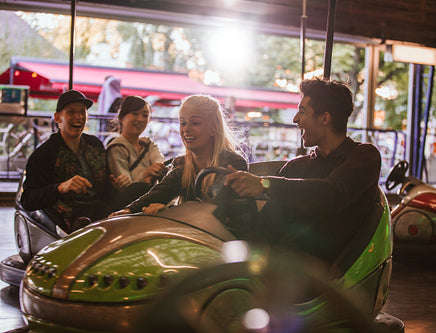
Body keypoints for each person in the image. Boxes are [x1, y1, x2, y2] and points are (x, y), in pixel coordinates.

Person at [224, 78, 382, 265]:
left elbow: (331, 194)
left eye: (302, 112)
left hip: (325, 275)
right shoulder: (296, 167)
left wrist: (262, 183)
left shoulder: (364, 157)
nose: (295, 120)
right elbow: (268, 225)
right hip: (281, 263)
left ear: (324, 118)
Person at [109, 94, 247, 217]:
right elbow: (160, 193)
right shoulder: (181, 164)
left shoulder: (233, 163)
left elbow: (217, 211)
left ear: (214, 128)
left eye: (195, 123)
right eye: (183, 123)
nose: (186, 129)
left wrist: (169, 211)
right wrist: (128, 211)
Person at [21, 90, 113, 233]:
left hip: (101, 211)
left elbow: (106, 186)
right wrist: (61, 187)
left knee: (137, 190)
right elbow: (28, 200)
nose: (78, 117)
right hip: (69, 218)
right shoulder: (45, 153)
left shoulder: (95, 145)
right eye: (71, 112)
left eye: (82, 112)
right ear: (57, 118)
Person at [106, 96, 167, 209]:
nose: (140, 119)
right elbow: (128, 189)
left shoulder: (147, 143)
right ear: (121, 117)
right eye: (135, 113)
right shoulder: (116, 148)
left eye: (145, 115)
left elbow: (160, 164)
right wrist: (145, 175)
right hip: (128, 207)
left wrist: (155, 170)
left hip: (150, 202)